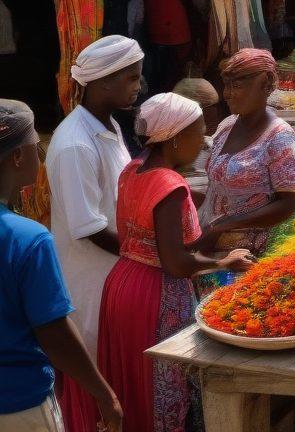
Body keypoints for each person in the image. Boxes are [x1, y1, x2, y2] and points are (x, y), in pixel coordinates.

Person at [98, 94, 253, 432]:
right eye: (198, 133)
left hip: (123, 284)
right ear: (176, 137)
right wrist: (225, 262)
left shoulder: (133, 170)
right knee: (164, 389)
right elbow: (175, 263)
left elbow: (148, 233)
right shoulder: (170, 185)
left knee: (134, 383)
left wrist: (210, 223)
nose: (202, 143)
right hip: (155, 294)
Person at [0, 100, 123, 432]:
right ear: (16, 157)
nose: (41, 153)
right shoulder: (28, 239)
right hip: (19, 405)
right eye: (34, 145)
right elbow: (54, 332)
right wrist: (104, 393)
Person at [46, 35, 143, 431]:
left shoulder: (110, 125)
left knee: (117, 374)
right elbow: (90, 228)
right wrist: (143, 254)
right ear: (102, 83)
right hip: (92, 281)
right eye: (132, 78)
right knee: (97, 379)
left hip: (115, 273)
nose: (139, 85)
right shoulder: (75, 145)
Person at [198, 50, 295, 255]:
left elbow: (289, 203)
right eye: (226, 86)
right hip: (213, 244)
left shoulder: (280, 137)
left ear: (265, 83)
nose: (227, 94)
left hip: (256, 250)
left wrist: (226, 224)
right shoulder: (226, 126)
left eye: (236, 86)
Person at [171, 78, 224, 206]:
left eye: (216, 107)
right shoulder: (171, 145)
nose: (216, 113)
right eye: (211, 107)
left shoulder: (212, 143)